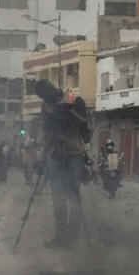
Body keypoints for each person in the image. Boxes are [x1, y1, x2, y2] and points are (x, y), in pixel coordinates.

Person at [33, 78, 90, 246]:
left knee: (73, 193)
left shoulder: (72, 98)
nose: (47, 98)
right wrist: (43, 156)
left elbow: (84, 123)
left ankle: (73, 237)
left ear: (52, 87)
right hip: (55, 152)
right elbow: (46, 132)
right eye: (43, 96)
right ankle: (60, 236)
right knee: (57, 195)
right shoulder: (46, 106)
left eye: (47, 93)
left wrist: (68, 112)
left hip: (73, 151)